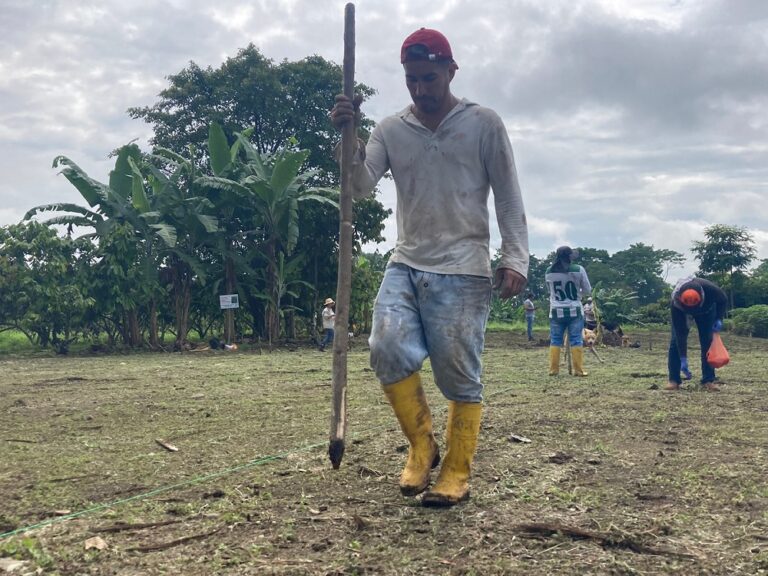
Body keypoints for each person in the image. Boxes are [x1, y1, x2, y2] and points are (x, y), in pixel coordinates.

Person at [330, 28, 528, 507]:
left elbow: (508, 192)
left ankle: (457, 470)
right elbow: (357, 184)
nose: (420, 89)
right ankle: (423, 446)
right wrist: (347, 135)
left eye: (429, 78)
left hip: (464, 266)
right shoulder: (390, 128)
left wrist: (515, 256)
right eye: (411, 80)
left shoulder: (483, 123)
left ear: (450, 71)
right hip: (407, 259)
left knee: (459, 372)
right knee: (386, 347)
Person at [665, 277, 727, 391]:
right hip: (682, 313)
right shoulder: (676, 303)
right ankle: (674, 380)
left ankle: (708, 380)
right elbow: (680, 335)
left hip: (707, 312)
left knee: (707, 341)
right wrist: (683, 358)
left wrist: (719, 319)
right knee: (675, 342)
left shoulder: (710, 289)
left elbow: (723, 300)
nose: (692, 309)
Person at [545, 246, 591, 376]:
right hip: (574, 310)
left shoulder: (549, 271)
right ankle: (579, 370)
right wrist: (578, 293)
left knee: (555, 340)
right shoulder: (578, 269)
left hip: (555, 311)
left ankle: (553, 370)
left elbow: (550, 291)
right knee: (576, 339)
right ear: (570, 256)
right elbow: (587, 290)